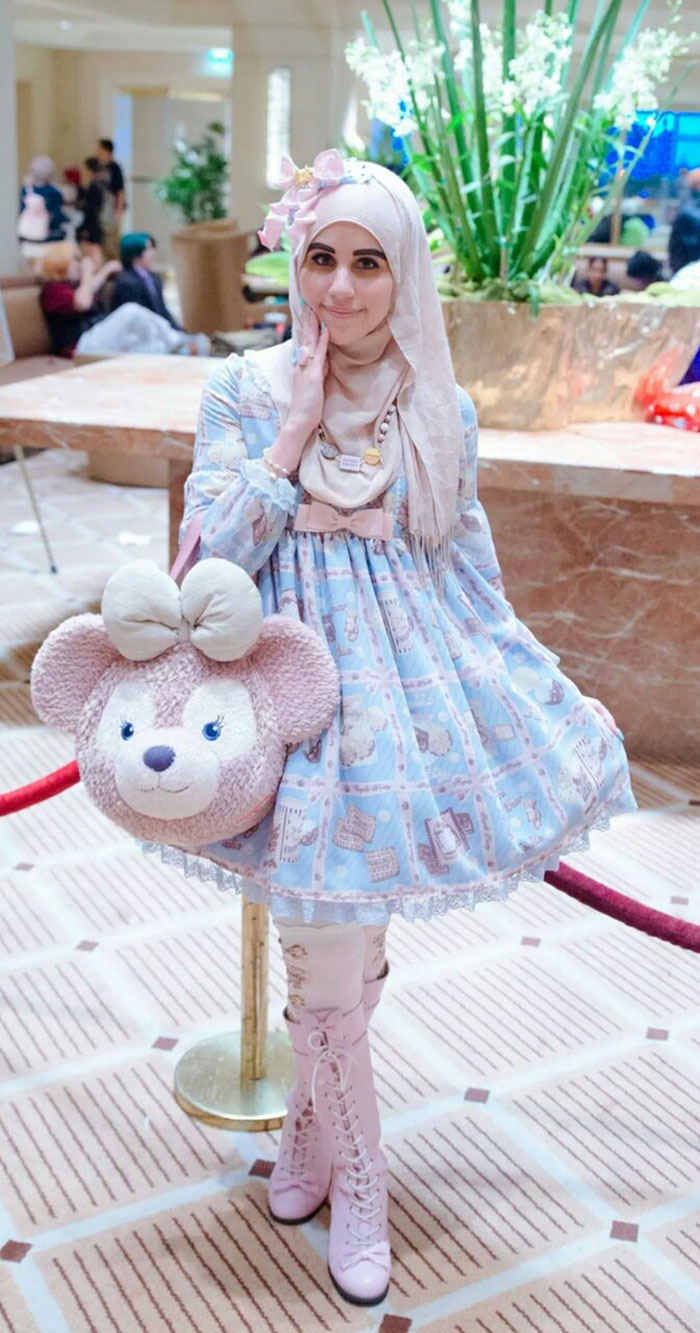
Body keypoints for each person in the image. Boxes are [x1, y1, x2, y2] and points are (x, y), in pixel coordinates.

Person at [175, 155, 636, 1307]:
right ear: (296, 262)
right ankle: (363, 1179)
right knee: (322, 958)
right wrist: (290, 434)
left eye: (368, 263)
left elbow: (466, 574)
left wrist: (541, 696)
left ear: (406, 273)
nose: (339, 288)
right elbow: (208, 562)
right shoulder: (241, 389)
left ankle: (312, 1139)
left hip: (401, 718)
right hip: (288, 704)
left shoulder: (443, 410)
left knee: (353, 947)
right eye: (320, 258)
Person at [37, 241, 201, 359]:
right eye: (75, 261)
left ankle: (181, 351)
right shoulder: (53, 290)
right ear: (62, 263)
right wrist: (87, 273)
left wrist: (105, 270)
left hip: (94, 338)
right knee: (130, 311)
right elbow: (82, 302)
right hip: (80, 346)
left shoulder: (74, 287)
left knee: (140, 345)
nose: (79, 264)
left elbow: (90, 289)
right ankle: (180, 341)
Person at [17, 156, 67, 264]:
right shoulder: (54, 192)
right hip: (49, 239)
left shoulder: (26, 190)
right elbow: (57, 217)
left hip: (28, 238)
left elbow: (21, 211)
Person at [95, 138, 125, 260]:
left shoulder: (115, 169)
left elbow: (120, 191)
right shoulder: (100, 168)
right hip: (100, 211)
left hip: (110, 210)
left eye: (100, 150)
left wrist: (119, 210)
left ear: (107, 151)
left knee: (111, 242)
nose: (97, 152)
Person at [76, 157, 107, 255]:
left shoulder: (94, 187)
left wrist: (85, 228)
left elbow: (90, 209)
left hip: (92, 225)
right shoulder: (100, 185)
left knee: (92, 252)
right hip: (96, 224)